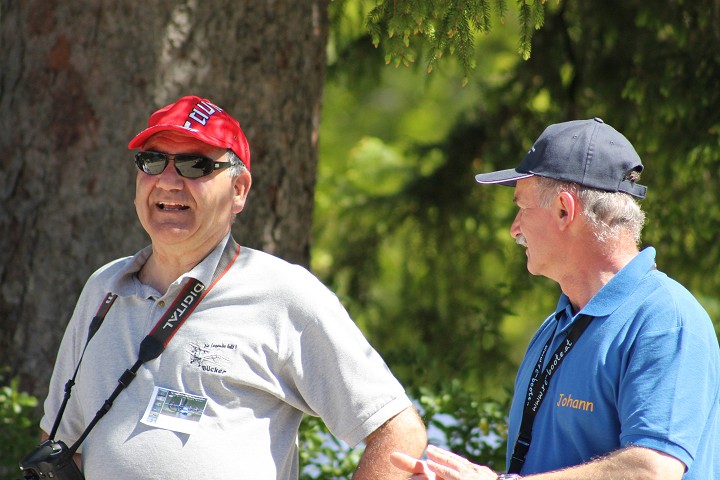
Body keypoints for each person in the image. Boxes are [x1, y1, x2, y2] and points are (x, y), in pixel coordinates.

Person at [38, 95, 427, 479]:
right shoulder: (104, 289)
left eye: (195, 165)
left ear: (239, 190)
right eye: (153, 161)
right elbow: (61, 442)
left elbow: (398, 432)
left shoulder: (283, 294)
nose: (169, 182)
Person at [391, 118, 720, 479]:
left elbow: (651, 471)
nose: (514, 228)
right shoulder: (557, 325)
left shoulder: (666, 318)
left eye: (522, 207)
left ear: (565, 209)